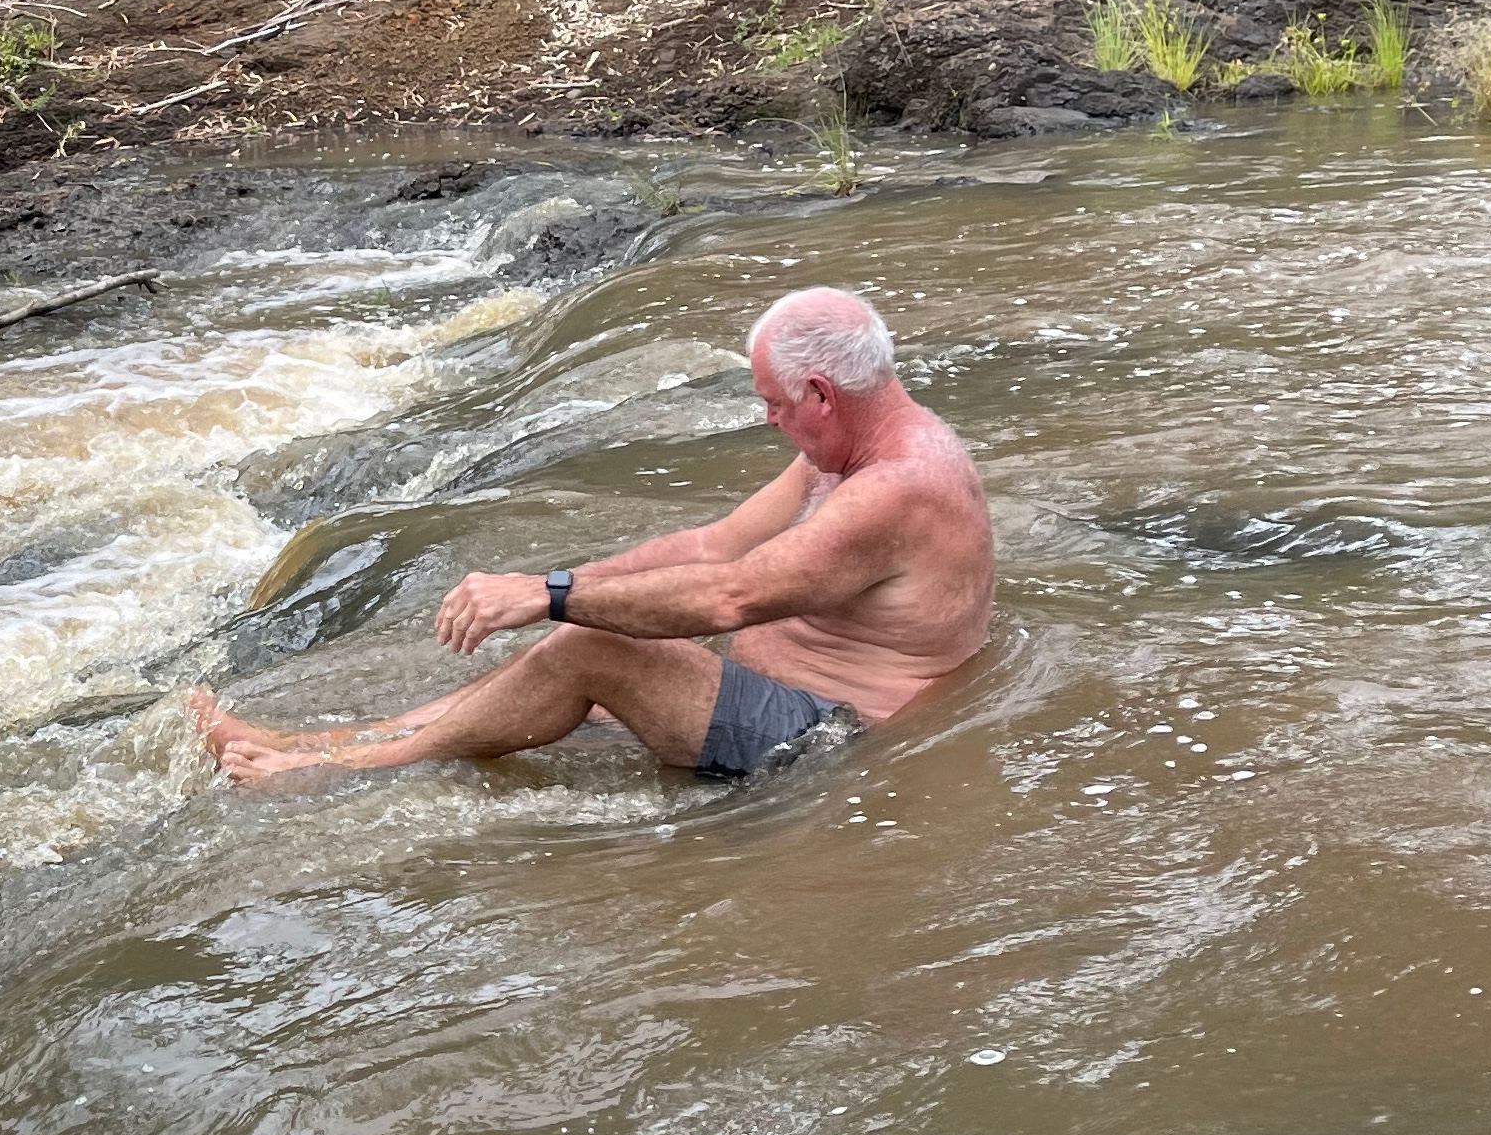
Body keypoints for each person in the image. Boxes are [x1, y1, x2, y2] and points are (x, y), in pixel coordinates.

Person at [188, 285, 993, 790]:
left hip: (831, 741)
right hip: (786, 699)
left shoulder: (898, 487)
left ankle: (322, 773)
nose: (769, 420)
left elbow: (729, 595)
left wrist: (554, 599)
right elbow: (716, 546)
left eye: (775, 403)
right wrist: (552, 581)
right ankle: (315, 741)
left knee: (585, 644)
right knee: (565, 643)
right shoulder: (847, 452)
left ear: (820, 392)